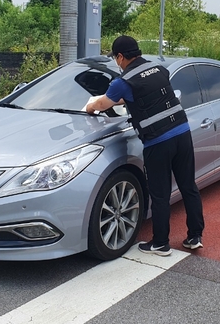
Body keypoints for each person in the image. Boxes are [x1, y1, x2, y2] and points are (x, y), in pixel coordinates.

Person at [86, 35, 204, 256]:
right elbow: (145, 94)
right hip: (182, 133)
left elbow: (104, 104)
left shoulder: (123, 81)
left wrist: (91, 107)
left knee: (160, 194)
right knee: (188, 186)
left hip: (159, 141)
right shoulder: (159, 69)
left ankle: (160, 243)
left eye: (115, 58)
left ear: (120, 56)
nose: (116, 62)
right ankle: (195, 236)